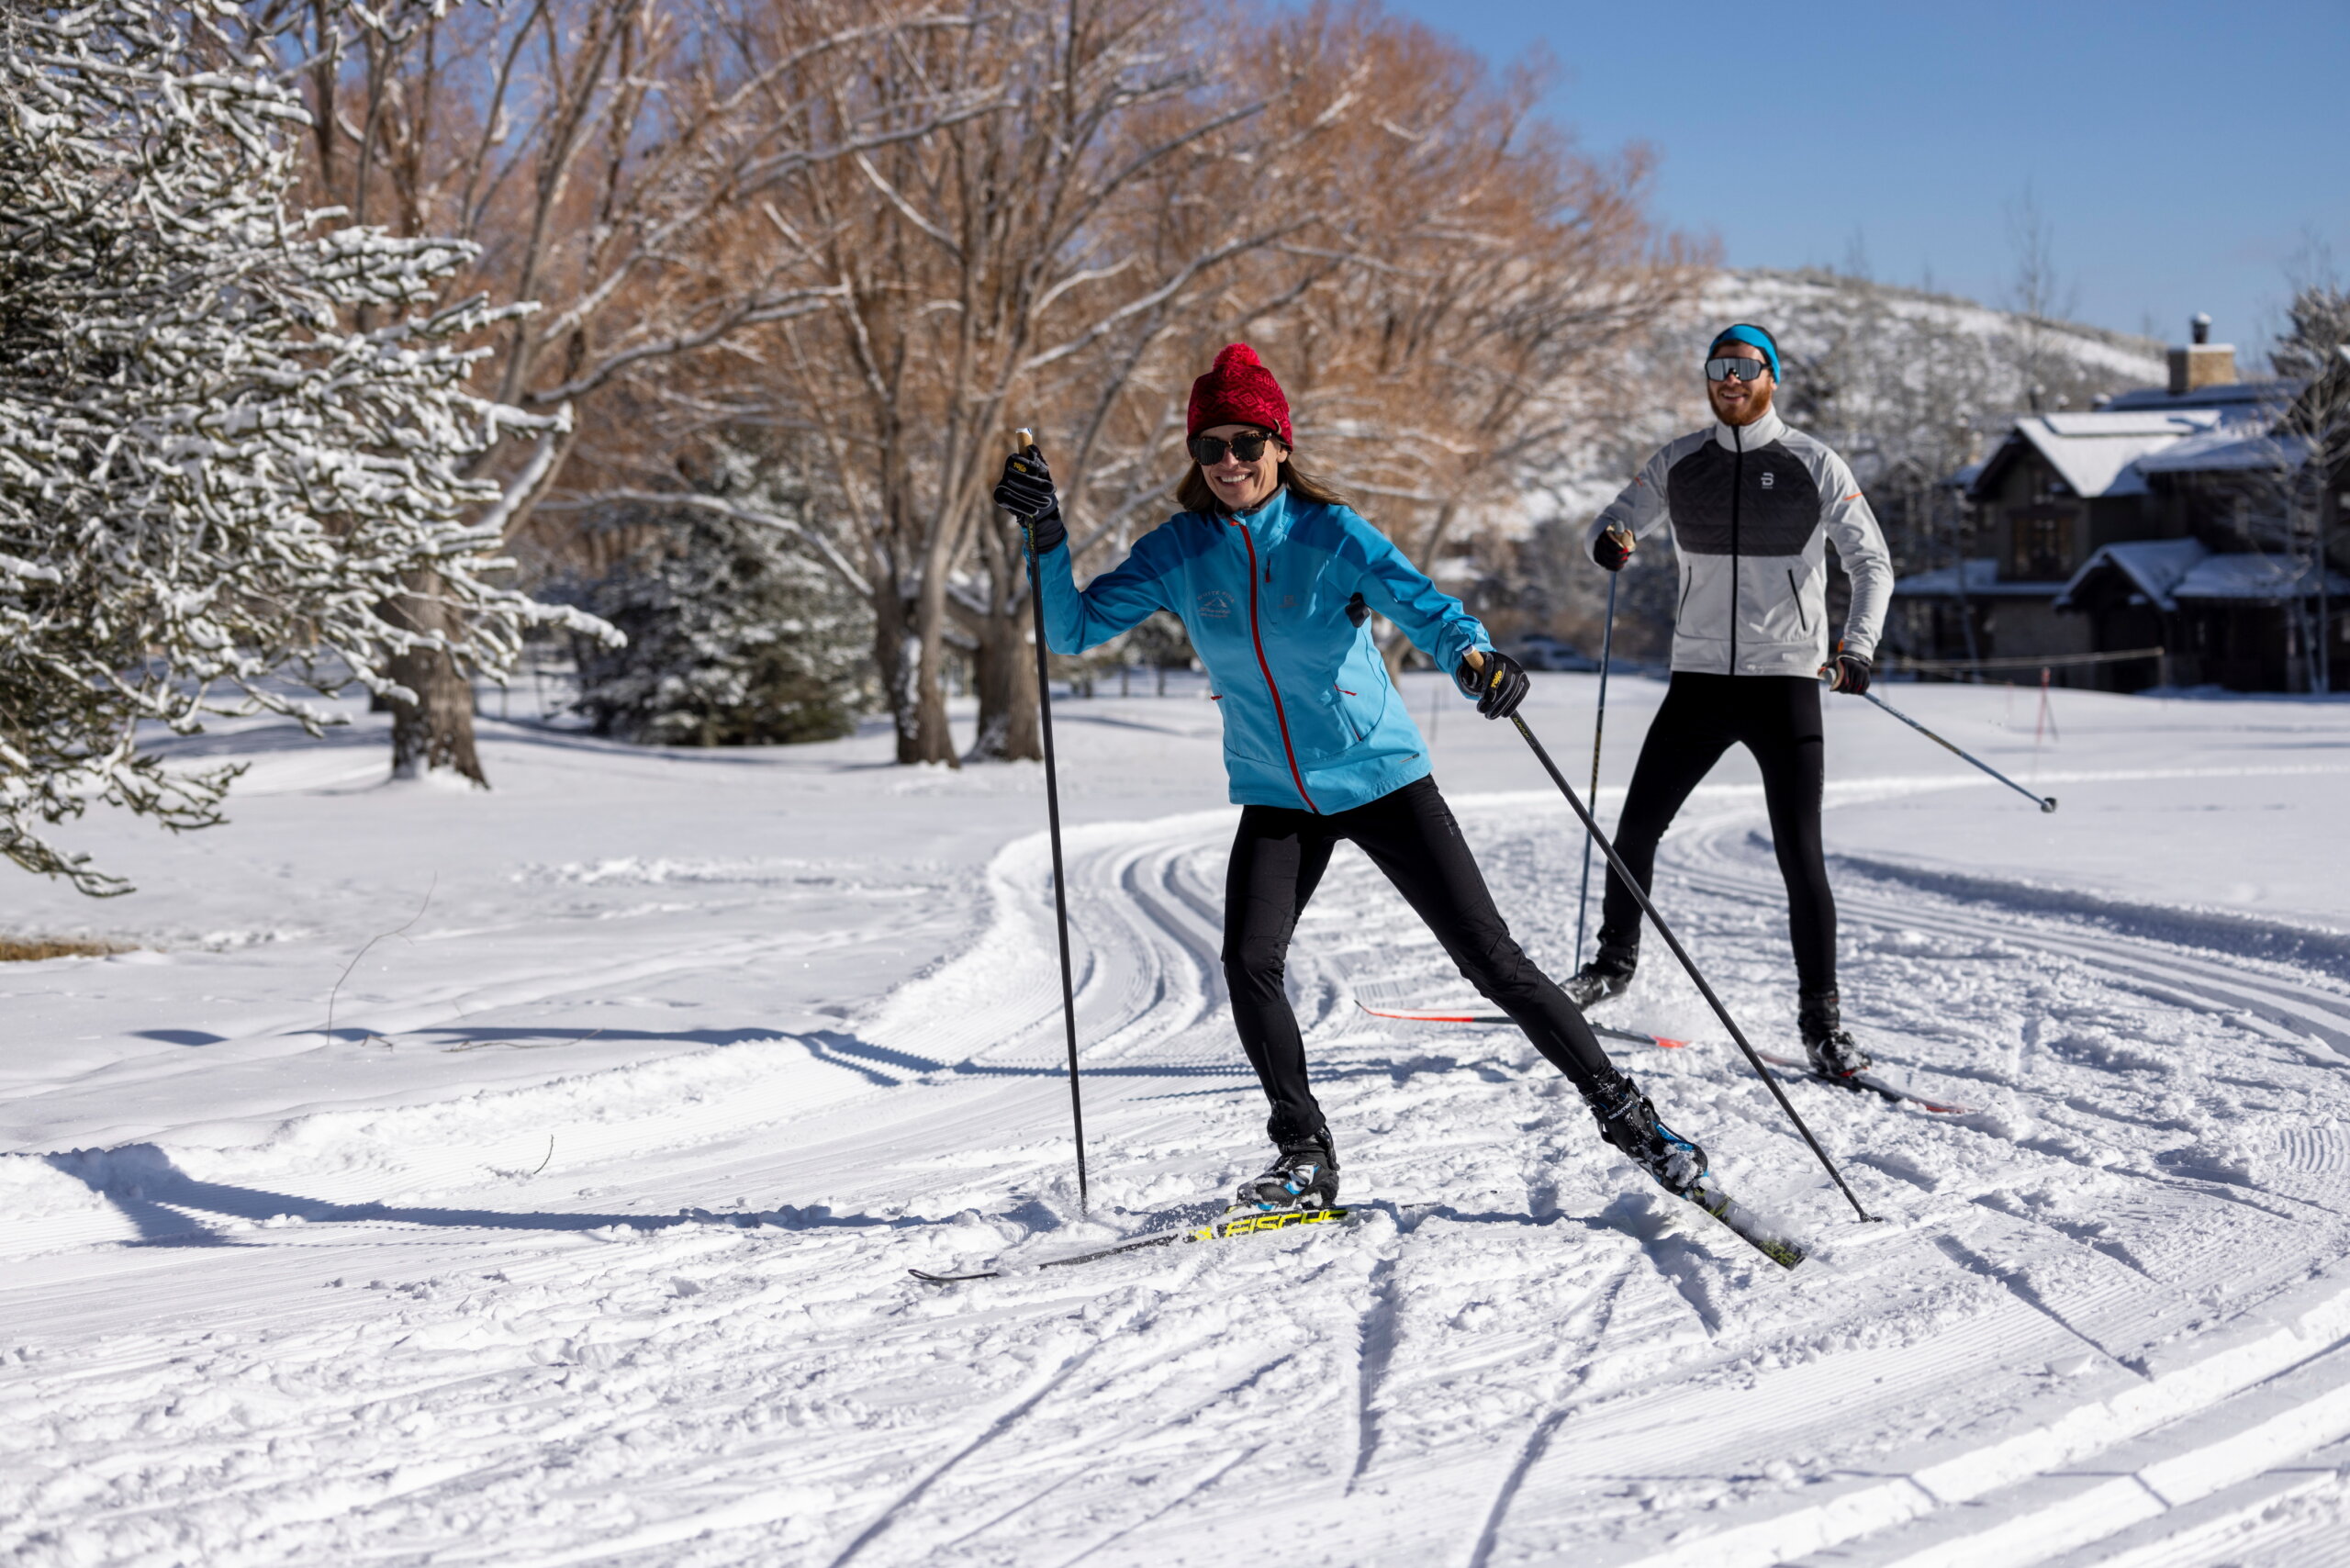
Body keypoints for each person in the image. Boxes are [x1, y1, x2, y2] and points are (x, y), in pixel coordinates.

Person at [991, 342, 1712, 1212]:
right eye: (1209, 446)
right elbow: (1069, 631)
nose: (1228, 463)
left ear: (1281, 445)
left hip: (1379, 776)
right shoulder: (1179, 551)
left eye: (1246, 443)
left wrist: (1474, 658)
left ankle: (1633, 1119)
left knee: (1493, 962)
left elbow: (1429, 608)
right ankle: (1304, 1154)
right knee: (1248, 961)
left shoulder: (1331, 534)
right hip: (1276, 791)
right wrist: (1046, 535)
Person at [1572, 323, 1892, 1081]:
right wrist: (1610, 538)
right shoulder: (1680, 461)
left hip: (1785, 681)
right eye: (1720, 367)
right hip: (1701, 680)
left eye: (1747, 367)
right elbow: (1613, 517)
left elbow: (1870, 562)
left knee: (1799, 855)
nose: (1731, 378)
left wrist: (1858, 647)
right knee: (1635, 829)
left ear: (1771, 377)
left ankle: (1824, 1026)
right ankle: (1612, 969)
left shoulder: (1814, 462)